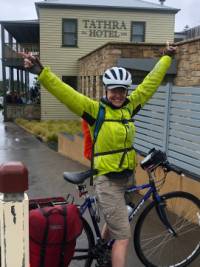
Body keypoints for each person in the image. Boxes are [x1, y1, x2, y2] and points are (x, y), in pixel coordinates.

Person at [21, 42, 176, 267]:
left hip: (127, 177)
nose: (118, 95)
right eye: (113, 90)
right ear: (106, 90)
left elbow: (150, 83)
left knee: (117, 222)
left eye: (122, 90)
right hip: (107, 181)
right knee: (123, 237)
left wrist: (166, 58)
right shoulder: (95, 111)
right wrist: (41, 72)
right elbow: (66, 93)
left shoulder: (129, 107)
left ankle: (102, 247)